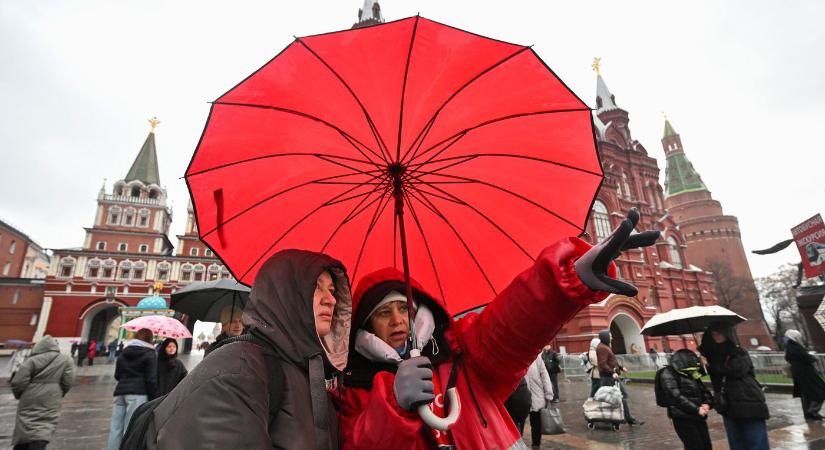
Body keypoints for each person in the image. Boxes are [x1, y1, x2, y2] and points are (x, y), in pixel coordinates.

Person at [334, 208, 658, 449]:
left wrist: (569, 281)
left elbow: (511, 328)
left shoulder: (460, 352)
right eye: (383, 313)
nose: (397, 320)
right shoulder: (354, 388)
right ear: (367, 326)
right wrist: (392, 404)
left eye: (404, 308)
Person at [143, 249, 352, 449]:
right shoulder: (238, 371)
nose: (331, 299)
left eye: (333, 291)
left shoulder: (306, 370)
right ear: (284, 293)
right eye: (316, 287)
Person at [699, 322, 769, 450]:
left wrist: (710, 366)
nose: (716, 337)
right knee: (736, 442)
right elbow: (702, 372)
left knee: (755, 441)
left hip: (748, 400)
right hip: (727, 403)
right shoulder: (711, 356)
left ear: (727, 334)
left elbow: (737, 369)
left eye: (719, 334)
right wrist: (702, 362)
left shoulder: (738, 351)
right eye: (713, 334)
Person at [10, 335, 74, 450]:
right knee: (45, 424)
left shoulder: (31, 360)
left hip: (29, 396)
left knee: (25, 423)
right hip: (52, 397)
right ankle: (39, 445)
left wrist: (19, 394)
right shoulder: (66, 360)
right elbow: (68, 381)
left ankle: (23, 445)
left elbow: (18, 381)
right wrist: (60, 393)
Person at [106, 328, 158, 450]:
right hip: (138, 394)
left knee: (116, 428)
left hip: (120, 393)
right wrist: (154, 398)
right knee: (131, 429)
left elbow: (117, 375)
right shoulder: (150, 353)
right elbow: (151, 379)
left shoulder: (124, 352)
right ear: (150, 339)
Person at [659, 349, 713, 450]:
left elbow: (703, 390)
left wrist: (707, 403)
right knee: (694, 446)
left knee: (706, 445)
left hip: (699, 416)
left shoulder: (690, 372)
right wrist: (696, 409)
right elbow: (675, 396)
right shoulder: (668, 373)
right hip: (682, 417)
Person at [596, 330, 644, 426]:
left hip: (610, 376)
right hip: (608, 377)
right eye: (610, 336)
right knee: (616, 397)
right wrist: (612, 372)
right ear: (605, 337)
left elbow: (612, 361)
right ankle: (623, 418)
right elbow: (602, 363)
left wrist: (621, 367)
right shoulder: (602, 348)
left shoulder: (605, 347)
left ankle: (622, 418)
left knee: (617, 397)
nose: (612, 338)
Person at [784, 329, 825, 420]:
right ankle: (812, 410)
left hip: (799, 373)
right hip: (806, 373)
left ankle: (809, 413)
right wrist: (813, 357)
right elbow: (806, 358)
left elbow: (789, 358)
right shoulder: (795, 347)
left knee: (806, 394)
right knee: (820, 390)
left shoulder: (789, 347)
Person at [526, 353, 554, 449]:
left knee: (536, 423)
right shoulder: (515, 355)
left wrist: (549, 394)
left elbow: (544, 375)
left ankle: (536, 445)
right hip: (520, 397)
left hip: (536, 396)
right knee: (518, 422)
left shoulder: (536, 357)